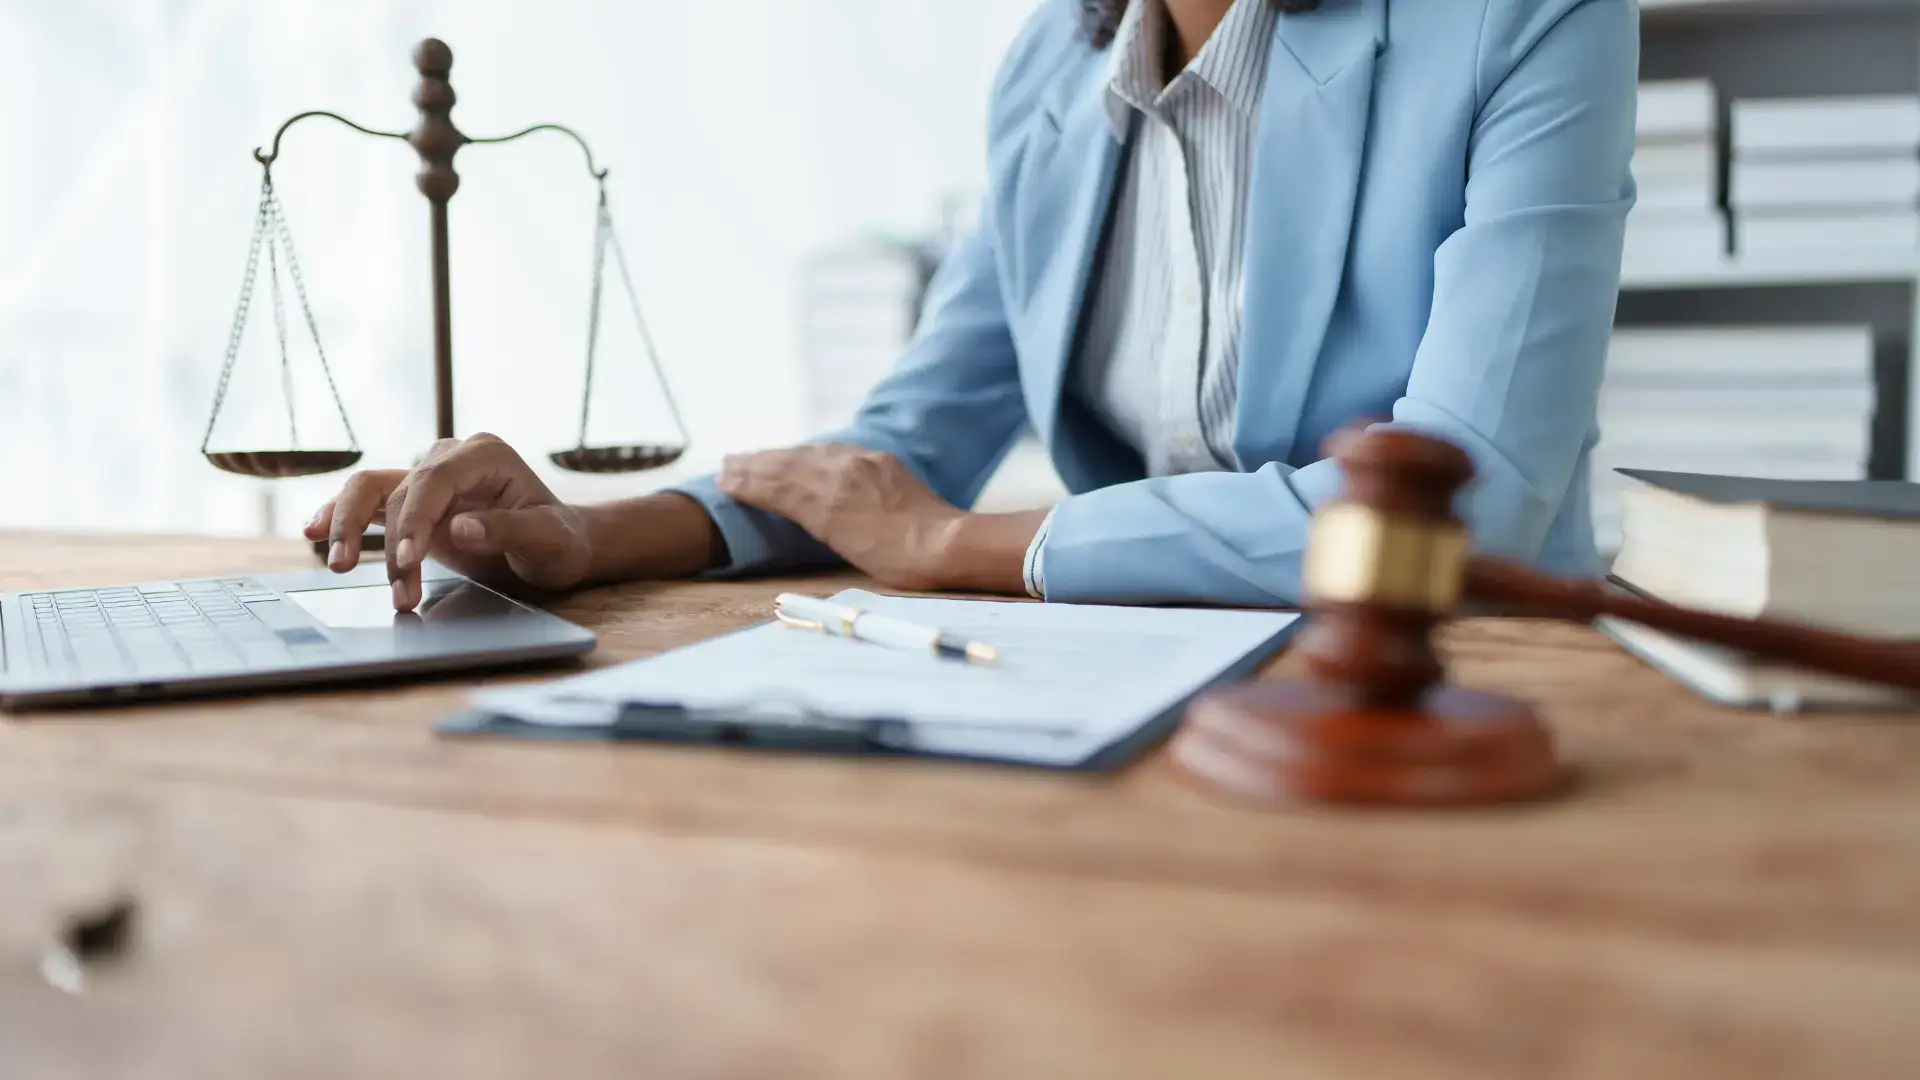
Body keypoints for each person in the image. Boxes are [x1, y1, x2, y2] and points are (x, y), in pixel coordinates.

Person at [308, 0, 1638, 613]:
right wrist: (590, 538)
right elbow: (894, 457)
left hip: (1461, 687)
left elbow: (1473, 506)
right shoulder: (1050, 76)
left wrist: (964, 549)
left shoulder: (1525, 19)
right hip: (1131, 695)